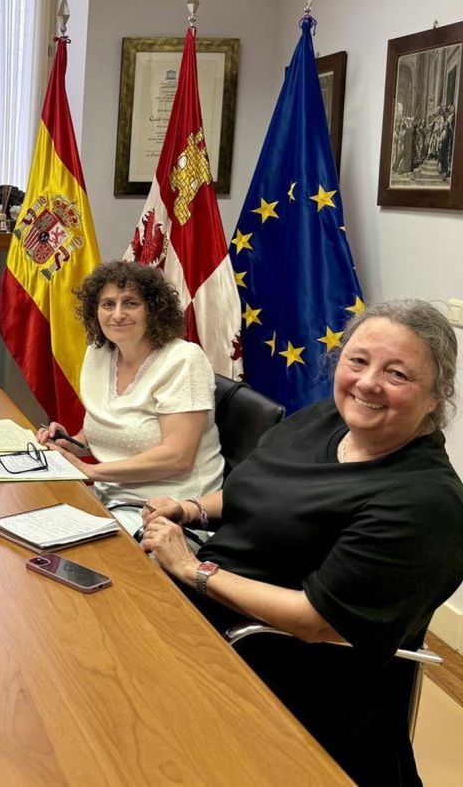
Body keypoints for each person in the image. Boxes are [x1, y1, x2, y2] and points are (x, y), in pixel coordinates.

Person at [141, 299, 463, 785]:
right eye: (358, 361)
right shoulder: (327, 420)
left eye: (397, 374)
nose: (367, 383)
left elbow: (315, 621)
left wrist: (192, 569)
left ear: (437, 395)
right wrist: (191, 509)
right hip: (205, 611)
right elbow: (258, 491)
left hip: (276, 664)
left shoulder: (424, 504)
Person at [35, 261, 223, 518]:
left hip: (166, 508)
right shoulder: (99, 353)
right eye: (108, 304)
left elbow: (178, 457)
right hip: (109, 496)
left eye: (131, 303)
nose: (117, 314)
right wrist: (71, 444)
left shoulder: (184, 360)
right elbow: (105, 428)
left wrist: (89, 471)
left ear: (153, 310)